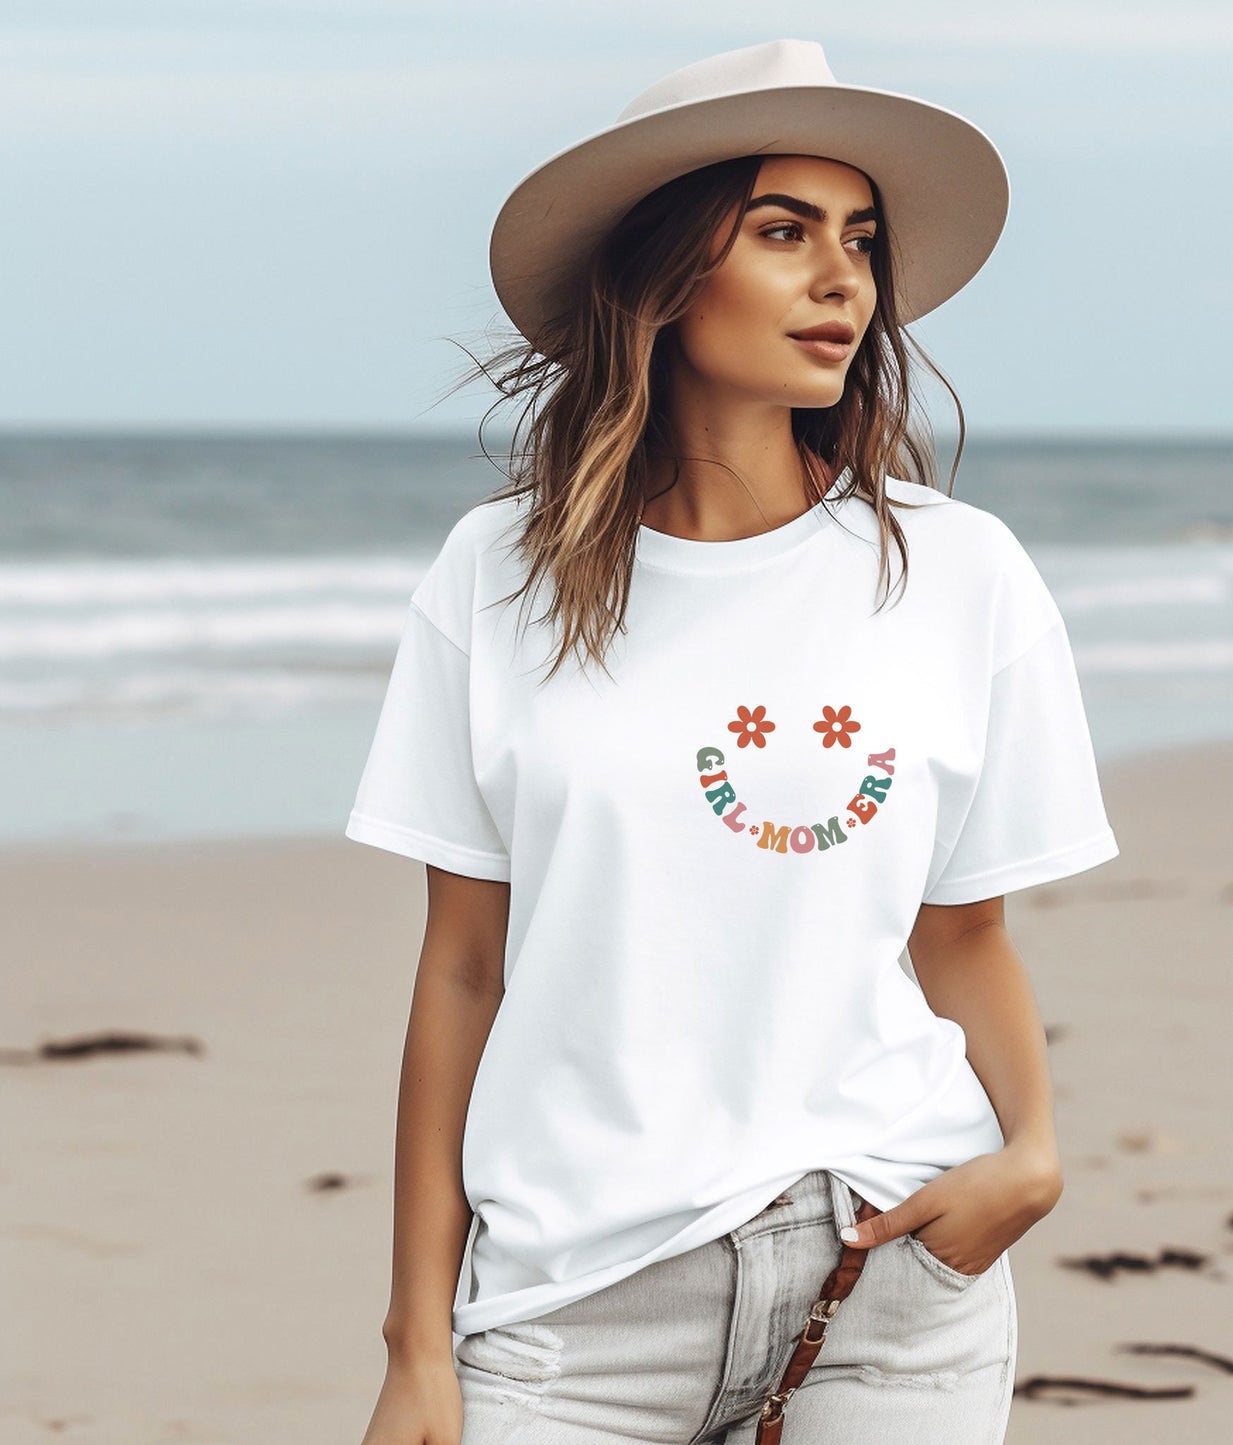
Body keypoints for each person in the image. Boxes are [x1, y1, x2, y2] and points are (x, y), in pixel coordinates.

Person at [346, 38, 1120, 1445]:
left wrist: (1033, 1154)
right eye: (781, 231)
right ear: (661, 274)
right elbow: (461, 966)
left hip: (885, 1273)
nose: (841, 278)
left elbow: (962, 935)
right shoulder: (495, 577)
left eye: (860, 240)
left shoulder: (958, 574)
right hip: (570, 1302)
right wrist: (417, 1342)